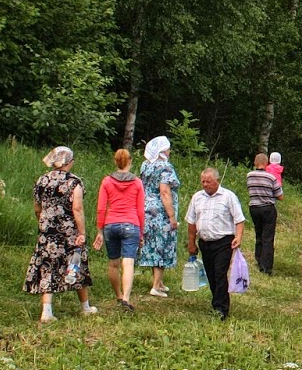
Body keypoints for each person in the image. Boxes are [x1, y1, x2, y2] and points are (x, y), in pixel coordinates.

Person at [24, 146, 96, 323]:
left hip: (47, 231)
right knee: (76, 264)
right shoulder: (74, 182)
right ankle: (85, 308)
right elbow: (77, 208)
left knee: (48, 266)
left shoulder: (42, 180)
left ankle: (46, 311)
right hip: (68, 231)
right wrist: (82, 232)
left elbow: (37, 207)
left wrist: (42, 222)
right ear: (69, 162)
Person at [185, 167, 245, 321]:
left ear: (217, 181)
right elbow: (191, 223)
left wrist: (238, 237)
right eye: (203, 182)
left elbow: (239, 219)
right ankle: (216, 301)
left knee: (220, 273)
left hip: (224, 242)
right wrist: (191, 243)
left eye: (208, 181)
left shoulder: (228, 196)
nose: (205, 184)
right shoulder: (197, 197)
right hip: (205, 242)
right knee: (211, 274)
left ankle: (221, 309)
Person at [93, 148, 146, 310]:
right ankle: (126, 299)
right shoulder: (137, 182)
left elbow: (101, 208)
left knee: (113, 263)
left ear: (115, 161)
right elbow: (140, 211)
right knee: (128, 263)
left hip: (110, 225)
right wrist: (141, 233)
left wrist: (100, 230)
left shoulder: (107, 181)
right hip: (131, 224)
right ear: (130, 161)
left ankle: (118, 295)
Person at [139, 135, 180, 297]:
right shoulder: (165, 167)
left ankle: (159, 281)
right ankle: (155, 286)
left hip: (146, 209)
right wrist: (172, 216)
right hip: (160, 212)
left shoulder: (145, 165)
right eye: (168, 149)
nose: (169, 151)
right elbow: (164, 192)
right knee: (162, 244)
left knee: (152, 243)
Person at [246, 152, 283, 276]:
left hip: (254, 208)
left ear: (255, 163)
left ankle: (258, 259)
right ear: (267, 163)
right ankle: (266, 267)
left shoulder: (249, 176)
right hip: (267, 208)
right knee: (268, 237)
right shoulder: (271, 177)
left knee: (259, 234)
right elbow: (280, 196)